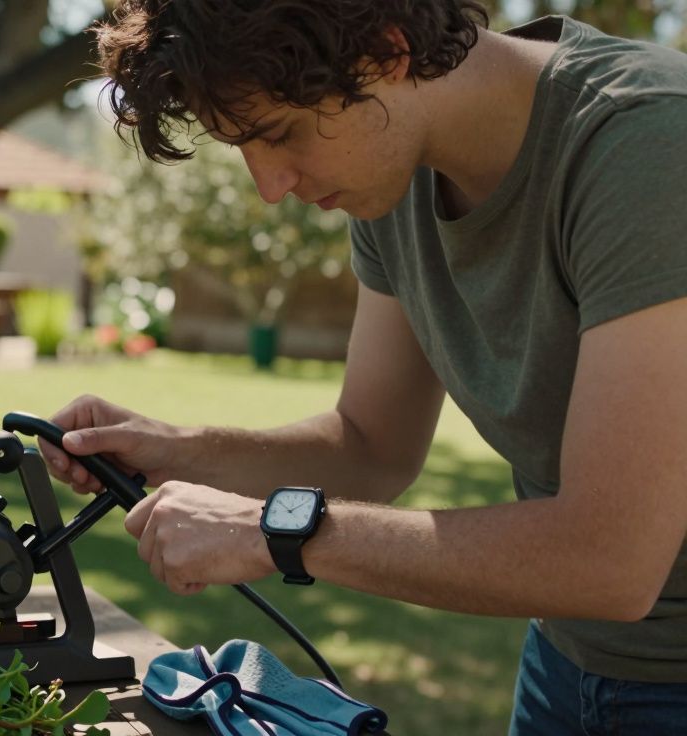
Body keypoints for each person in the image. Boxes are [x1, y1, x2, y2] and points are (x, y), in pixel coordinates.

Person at [38, 1, 687, 732]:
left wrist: (273, 531)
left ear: (388, 49)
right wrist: (176, 451)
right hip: (566, 660)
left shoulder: (647, 141)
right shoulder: (395, 169)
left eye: (279, 133)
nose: (270, 186)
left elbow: (611, 560)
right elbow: (371, 445)